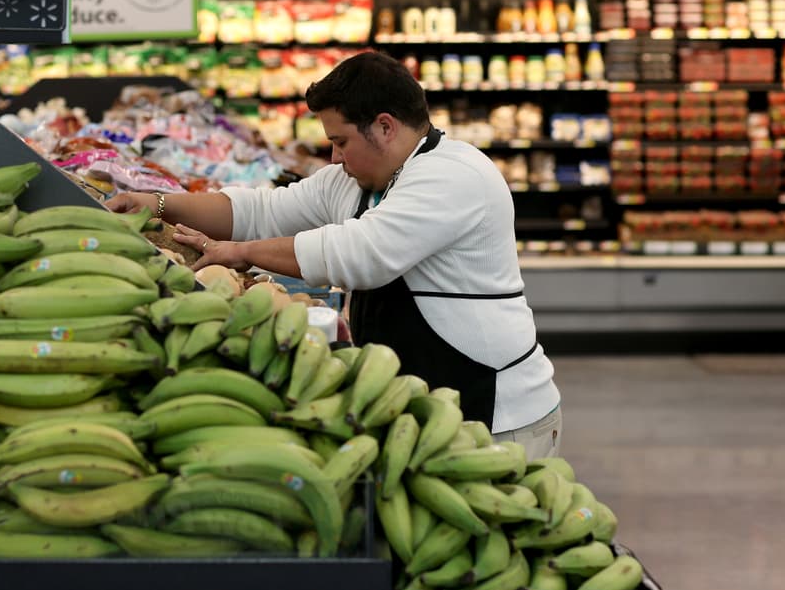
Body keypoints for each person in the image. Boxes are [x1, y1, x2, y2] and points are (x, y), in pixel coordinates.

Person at [107, 51, 562, 457]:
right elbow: (260, 210)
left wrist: (242, 253)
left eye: (341, 141)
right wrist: (158, 204)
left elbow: (360, 254)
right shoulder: (356, 181)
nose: (334, 157)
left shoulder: (454, 175)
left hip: (497, 413)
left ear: (384, 127)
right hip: (424, 407)